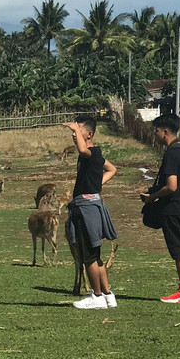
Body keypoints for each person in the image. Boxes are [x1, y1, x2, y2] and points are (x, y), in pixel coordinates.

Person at [141, 113, 180, 303]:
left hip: (173, 208)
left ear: (165, 132)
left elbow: (171, 185)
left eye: (156, 131)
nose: (154, 134)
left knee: (179, 250)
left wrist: (152, 197)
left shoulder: (172, 153)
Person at [63, 117, 118, 309]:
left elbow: (82, 149)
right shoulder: (96, 155)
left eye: (78, 131)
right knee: (95, 255)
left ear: (89, 134)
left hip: (86, 208)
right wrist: (95, 185)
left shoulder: (90, 152)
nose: (74, 135)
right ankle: (108, 295)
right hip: (91, 203)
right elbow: (112, 169)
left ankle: (97, 297)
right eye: (73, 132)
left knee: (88, 256)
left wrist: (74, 128)